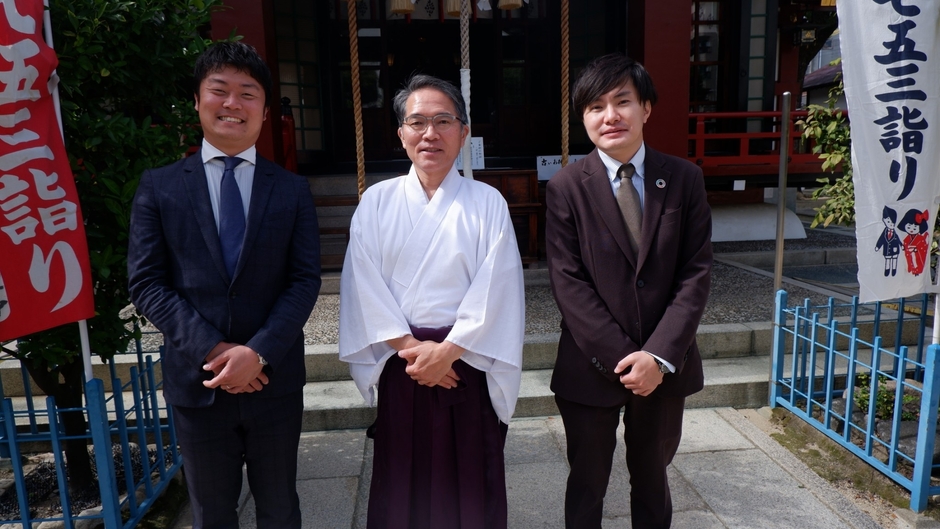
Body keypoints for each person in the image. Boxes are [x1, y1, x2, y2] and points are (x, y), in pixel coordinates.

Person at [128, 41, 321, 528]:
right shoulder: (160, 186)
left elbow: (303, 280)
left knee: (280, 508)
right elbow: (147, 283)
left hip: (274, 382)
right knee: (211, 513)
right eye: (219, 90)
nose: (233, 103)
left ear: (265, 110)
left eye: (248, 93)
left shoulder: (292, 189)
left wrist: (258, 353)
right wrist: (215, 351)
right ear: (197, 100)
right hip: (198, 383)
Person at [338, 74, 525, 529]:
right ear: (401, 133)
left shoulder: (488, 202)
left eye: (444, 121)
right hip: (402, 364)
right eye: (417, 122)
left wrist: (448, 352)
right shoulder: (376, 202)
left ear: (463, 132)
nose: (430, 133)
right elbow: (362, 285)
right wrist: (411, 349)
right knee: (403, 481)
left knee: (468, 484)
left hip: (466, 364)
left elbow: (499, 288)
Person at [545, 53, 712, 528]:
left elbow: (695, 273)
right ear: (583, 118)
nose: (610, 116)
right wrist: (625, 358)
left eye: (622, 101)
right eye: (595, 106)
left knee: (653, 479)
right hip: (590, 364)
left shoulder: (684, 178)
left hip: (665, 368)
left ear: (646, 108)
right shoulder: (565, 187)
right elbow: (568, 282)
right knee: (586, 484)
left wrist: (656, 357)